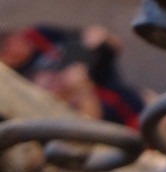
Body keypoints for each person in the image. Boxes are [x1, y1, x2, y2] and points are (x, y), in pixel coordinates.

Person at [0, 24, 146, 128]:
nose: (19, 46)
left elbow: (97, 40)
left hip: (130, 100)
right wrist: (83, 91)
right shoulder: (67, 107)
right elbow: (90, 129)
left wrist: (99, 39)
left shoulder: (37, 36)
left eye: (15, 40)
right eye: (8, 48)